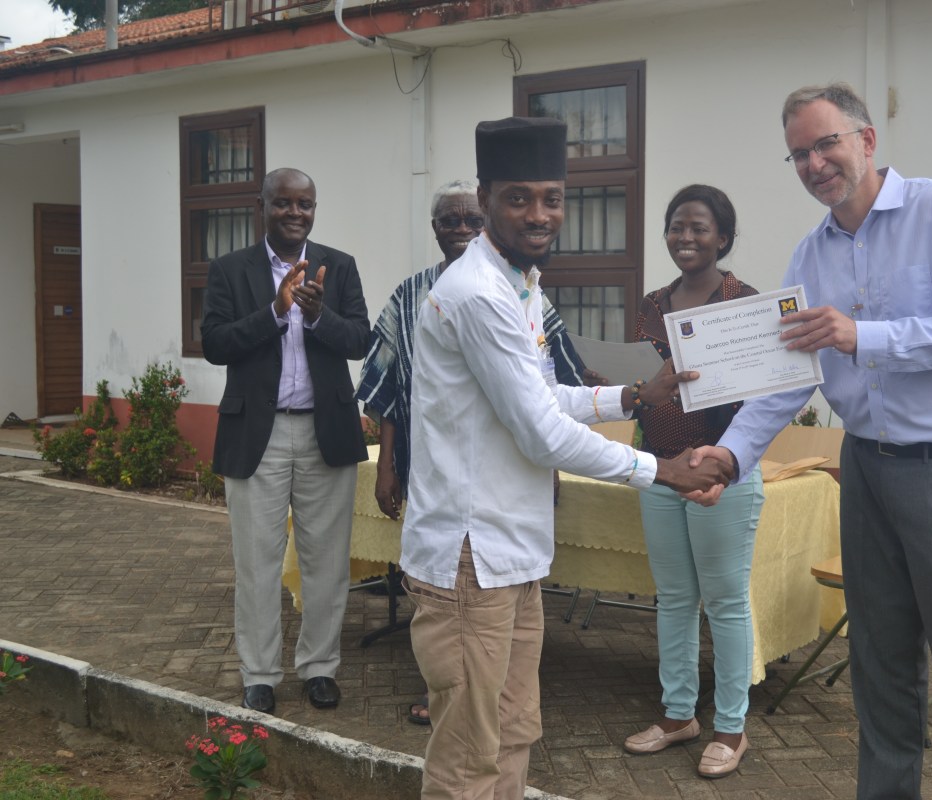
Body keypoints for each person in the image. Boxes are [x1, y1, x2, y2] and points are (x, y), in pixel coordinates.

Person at [690, 84, 932, 798]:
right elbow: (787, 378)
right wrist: (732, 452)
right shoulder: (809, 256)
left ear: (867, 140)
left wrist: (864, 336)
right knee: (879, 660)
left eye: (826, 144)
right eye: (799, 154)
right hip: (866, 469)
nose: (814, 164)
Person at [399, 116, 731, 799]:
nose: (539, 214)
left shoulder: (519, 283)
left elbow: (542, 395)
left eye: (551, 198)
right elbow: (541, 434)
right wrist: (662, 471)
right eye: (518, 198)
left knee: (514, 731)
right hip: (470, 560)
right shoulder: (478, 293)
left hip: (513, 554)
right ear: (486, 199)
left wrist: (634, 395)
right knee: (468, 756)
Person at [355, 177, 589, 725]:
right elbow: (389, 386)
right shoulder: (414, 293)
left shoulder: (523, 288)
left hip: (507, 474)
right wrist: (386, 465)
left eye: (469, 219)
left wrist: (554, 459)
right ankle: (445, 690)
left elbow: (547, 386)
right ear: (435, 229)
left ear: (484, 220)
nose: (460, 228)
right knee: (448, 586)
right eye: (449, 220)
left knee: (490, 631)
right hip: (432, 459)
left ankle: (466, 694)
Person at [201, 167, 369, 716]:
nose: (295, 212)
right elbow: (215, 344)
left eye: (305, 204)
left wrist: (318, 316)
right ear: (263, 206)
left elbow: (360, 339)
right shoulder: (230, 270)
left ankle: (319, 668)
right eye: (284, 203)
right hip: (259, 433)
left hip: (326, 432)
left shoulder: (339, 266)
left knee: (327, 563)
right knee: (257, 563)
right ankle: (260, 674)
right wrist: (276, 311)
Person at [619, 185, 763, 778]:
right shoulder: (651, 305)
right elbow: (645, 387)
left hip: (722, 472)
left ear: (722, 238)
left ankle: (731, 727)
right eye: (676, 226)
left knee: (725, 603)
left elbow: (762, 392)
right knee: (675, 599)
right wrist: (623, 385)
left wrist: (722, 461)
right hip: (659, 469)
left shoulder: (745, 303)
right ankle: (679, 716)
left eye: (699, 228)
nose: (685, 237)